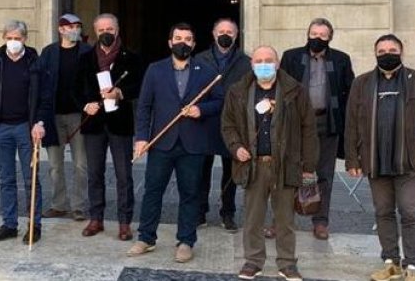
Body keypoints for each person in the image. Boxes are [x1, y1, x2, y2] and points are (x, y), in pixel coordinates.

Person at [346, 34, 415, 281]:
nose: (387, 53)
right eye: (381, 50)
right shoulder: (362, 83)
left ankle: (412, 266)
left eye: (392, 49)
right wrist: (352, 160)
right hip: (375, 160)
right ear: (375, 53)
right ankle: (391, 262)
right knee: (383, 212)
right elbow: (352, 124)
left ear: (401, 51)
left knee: (410, 212)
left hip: (409, 161)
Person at [127, 23, 223, 264]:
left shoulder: (207, 71)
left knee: (190, 194)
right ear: (170, 42)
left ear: (193, 44)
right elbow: (144, 106)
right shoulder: (155, 70)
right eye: (178, 38)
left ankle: (186, 241)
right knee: (152, 191)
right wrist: (141, 137)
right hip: (162, 142)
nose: (183, 42)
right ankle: (146, 238)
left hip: (193, 144)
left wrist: (201, 109)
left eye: (188, 39)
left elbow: (220, 101)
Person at [222, 46, 317, 281]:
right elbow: (228, 124)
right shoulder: (238, 91)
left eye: (268, 60)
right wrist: (237, 147)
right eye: (258, 60)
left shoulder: (295, 91)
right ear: (252, 64)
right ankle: (253, 261)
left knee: (285, 219)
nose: (263, 64)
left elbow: (309, 129)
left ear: (277, 64)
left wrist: (308, 166)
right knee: (253, 217)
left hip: (285, 164)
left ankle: (287, 263)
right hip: (253, 165)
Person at [0, 19, 51, 243]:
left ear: (25, 39)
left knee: (30, 179)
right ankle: (9, 224)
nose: (13, 42)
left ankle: (34, 225)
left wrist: (40, 122)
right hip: (1, 128)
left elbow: (45, 95)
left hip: (27, 127)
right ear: (4, 38)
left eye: (18, 38)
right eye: (10, 38)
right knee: (6, 179)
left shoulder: (35, 62)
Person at [279, 17, 354, 240]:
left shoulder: (341, 59)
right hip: (295, 125)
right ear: (307, 33)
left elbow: (349, 92)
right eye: (313, 34)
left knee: (324, 175)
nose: (317, 38)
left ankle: (320, 221)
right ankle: (280, 220)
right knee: (287, 173)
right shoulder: (292, 56)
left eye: (322, 35)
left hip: (326, 124)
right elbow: (280, 87)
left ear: (330, 37)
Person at [78, 13, 145, 240]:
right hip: (94, 124)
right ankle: (96, 218)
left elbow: (140, 86)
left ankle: (124, 222)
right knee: (94, 174)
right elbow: (75, 88)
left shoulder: (132, 58)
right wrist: (85, 105)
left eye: (110, 29)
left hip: (120, 124)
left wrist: (121, 92)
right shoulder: (85, 57)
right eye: (101, 30)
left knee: (124, 175)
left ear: (117, 30)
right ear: (95, 32)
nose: (106, 33)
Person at [195, 18, 250, 230]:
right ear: (213, 33)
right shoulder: (200, 59)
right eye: (221, 31)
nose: (225, 35)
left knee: (231, 172)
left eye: (230, 32)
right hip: (206, 121)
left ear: (236, 35)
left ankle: (228, 213)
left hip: (233, 124)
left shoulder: (246, 62)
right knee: (202, 170)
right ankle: (200, 212)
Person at [37, 12, 92, 221]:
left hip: (79, 115)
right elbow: (41, 84)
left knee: (80, 164)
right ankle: (58, 205)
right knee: (54, 165)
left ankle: (78, 206)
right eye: (70, 26)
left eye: (78, 26)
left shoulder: (87, 51)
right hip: (53, 117)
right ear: (61, 29)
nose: (75, 29)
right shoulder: (49, 52)